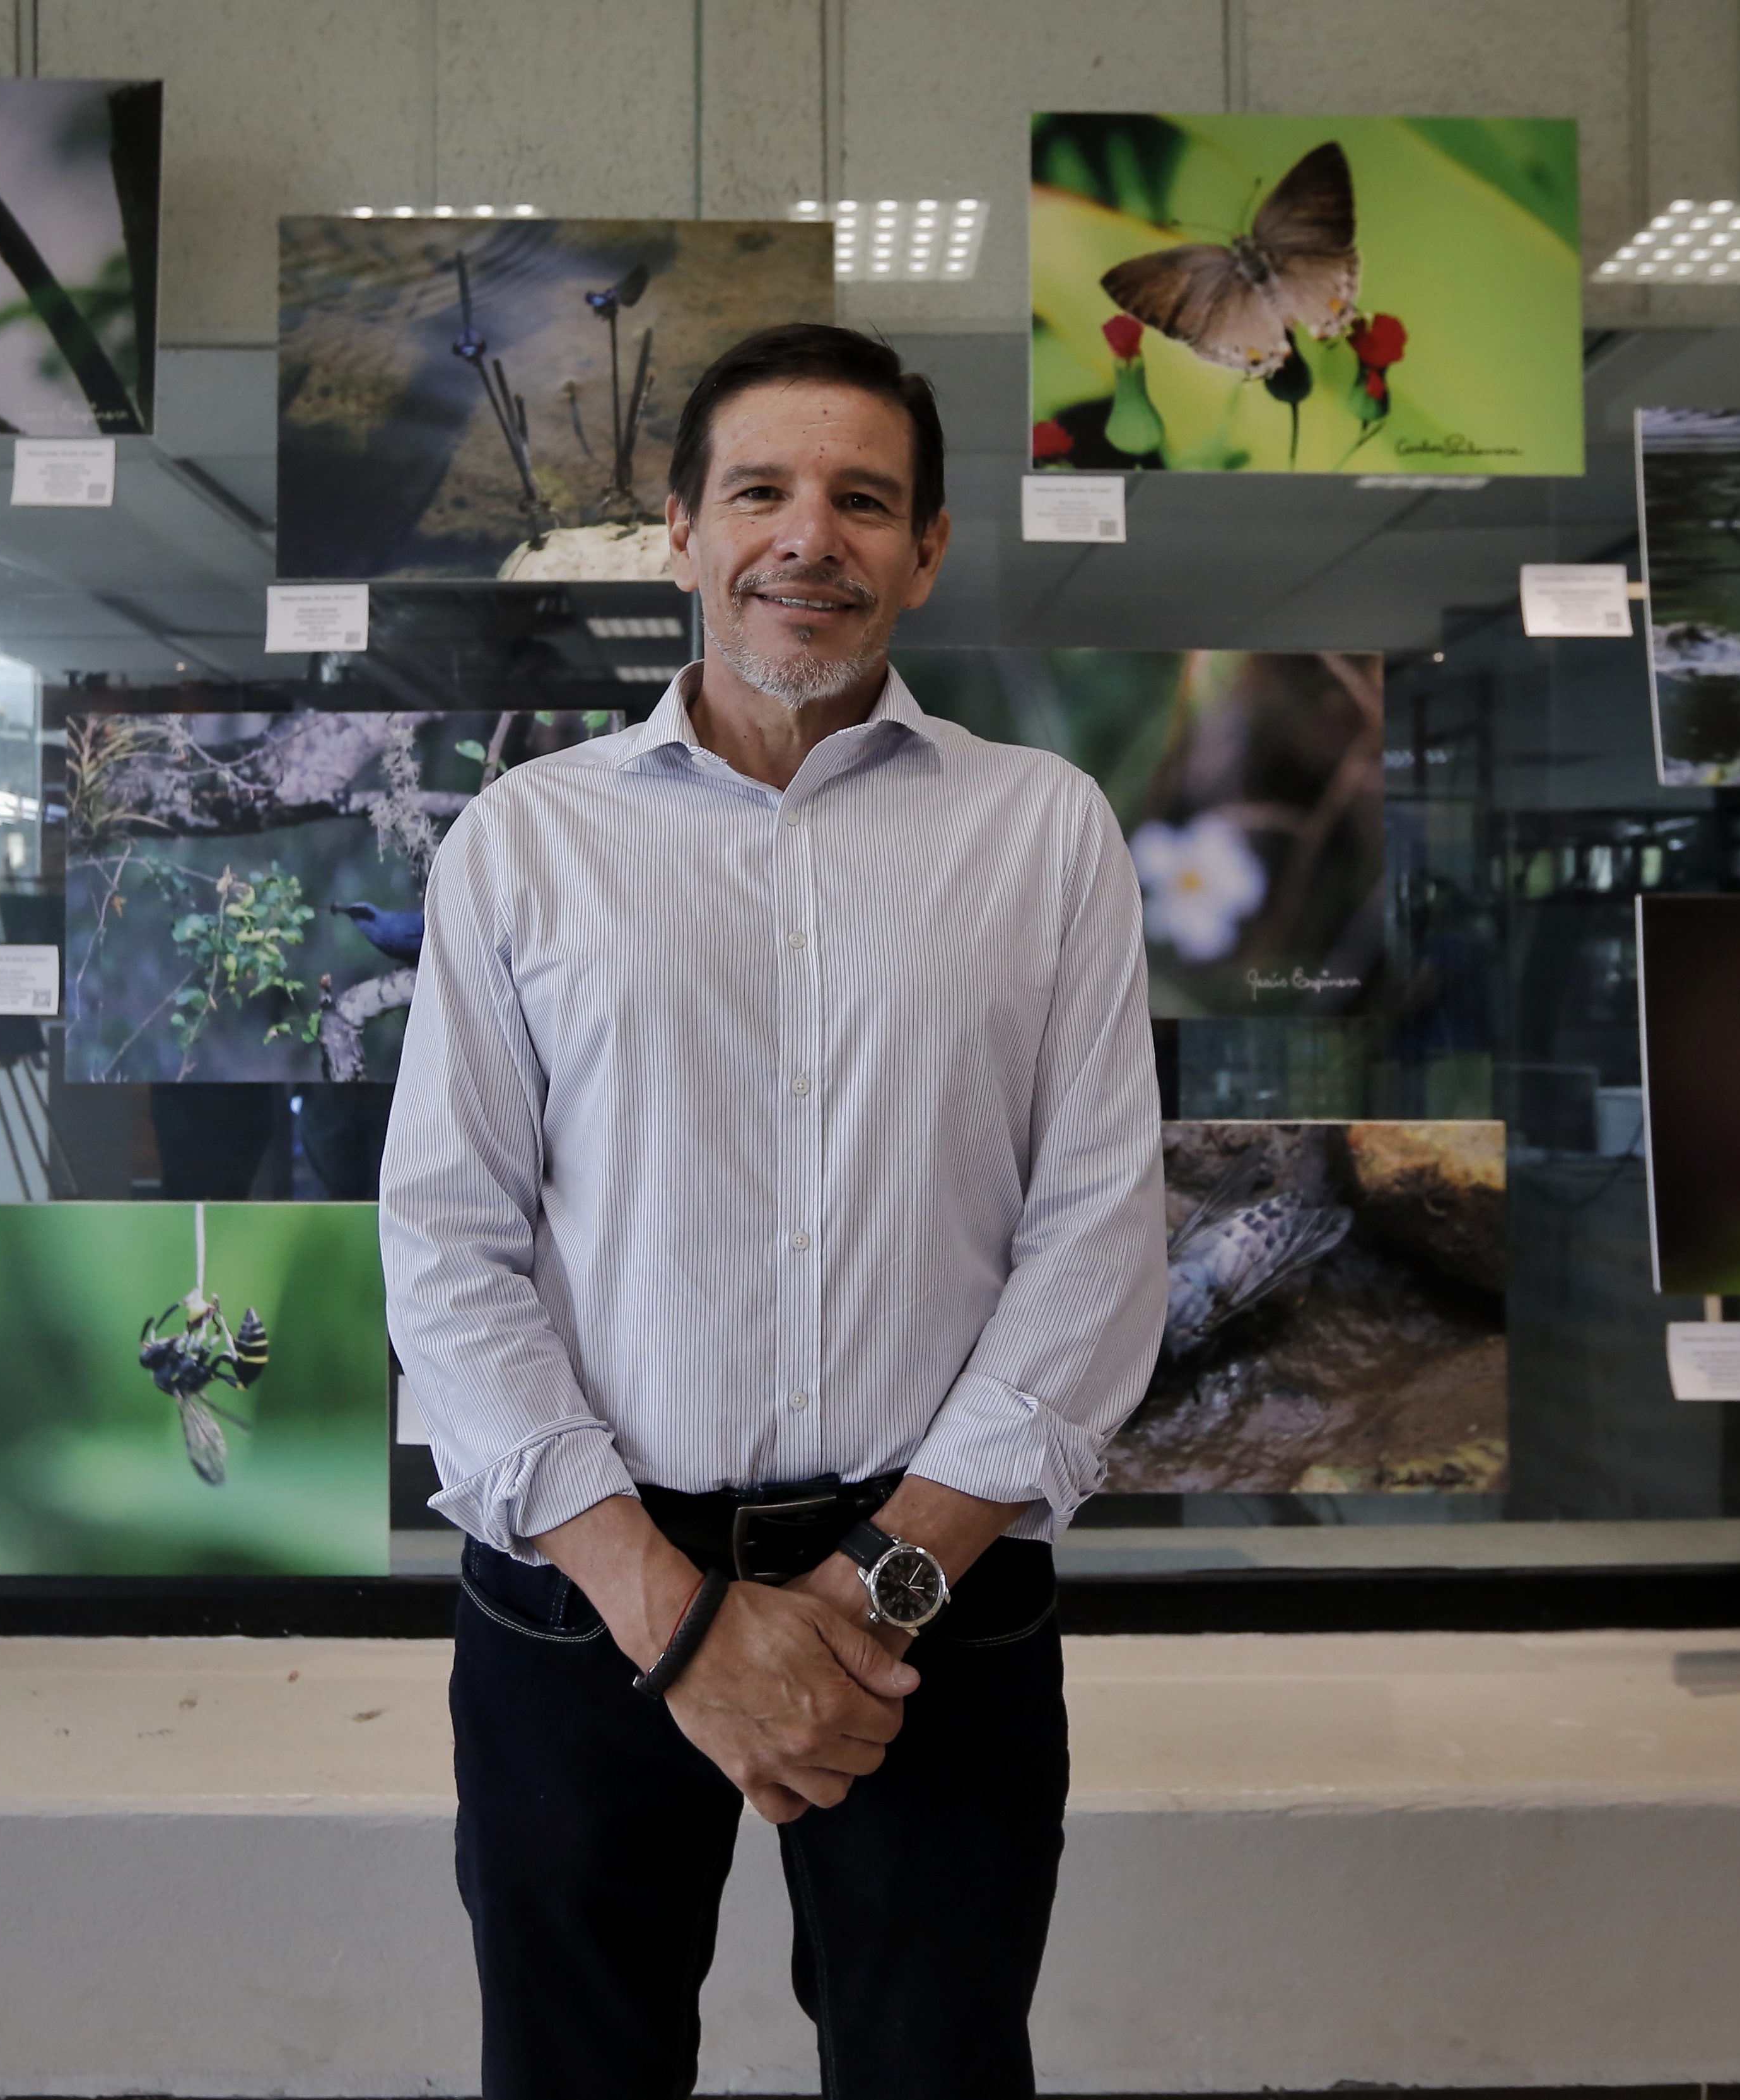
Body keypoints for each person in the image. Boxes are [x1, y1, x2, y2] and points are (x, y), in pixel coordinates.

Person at [380, 321, 1169, 2099]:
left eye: (865, 500)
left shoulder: (1044, 833)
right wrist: (672, 1617)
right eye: (761, 492)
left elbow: (1101, 1238)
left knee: (934, 2077)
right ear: (682, 532)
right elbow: (446, 1245)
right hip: (583, 1591)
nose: (811, 535)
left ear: (928, 549)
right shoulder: (524, 841)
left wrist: (881, 1584)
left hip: (938, 1594)